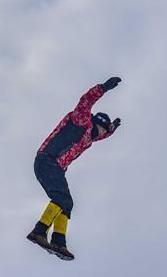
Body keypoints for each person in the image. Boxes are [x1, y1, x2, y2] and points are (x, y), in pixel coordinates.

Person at [27, 77, 123, 260]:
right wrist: (103, 88)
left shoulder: (90, 137)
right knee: (61, 197)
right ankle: (38, 232)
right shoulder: (81, 120)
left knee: (67, 203)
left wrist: (111, 130)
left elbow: (99, 136)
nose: (102, 133)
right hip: (48, 160)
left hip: (53, 167)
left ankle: (58, 241)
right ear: (96, 124)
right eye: (102, 128)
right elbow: (86, 101)